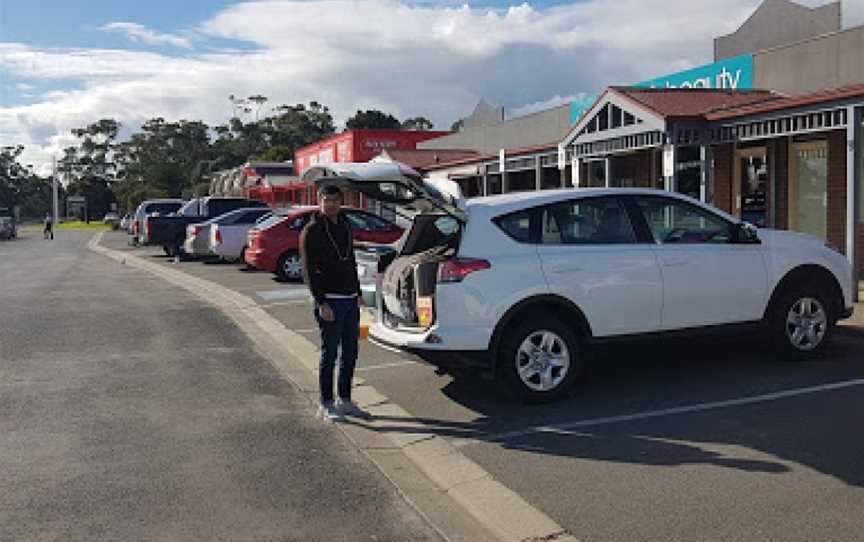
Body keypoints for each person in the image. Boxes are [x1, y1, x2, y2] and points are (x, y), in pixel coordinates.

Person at [299, 184, 371, 423]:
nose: (330, 204)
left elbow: (350, 260)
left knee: (351, 352)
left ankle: (346, 400)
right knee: (329, 354)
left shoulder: (346, 225)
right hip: (330, 301)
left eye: (334, 200)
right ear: (319, 201)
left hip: (350, 300)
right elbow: (308, 270)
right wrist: (321, 302)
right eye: (326, 200)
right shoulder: (312, 230)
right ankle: (327, 403)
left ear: (342, 201)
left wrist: (358, 292)